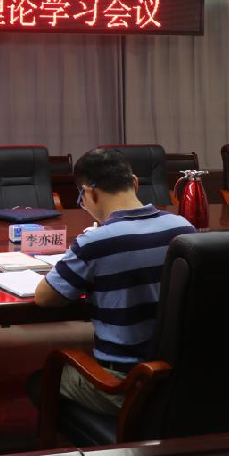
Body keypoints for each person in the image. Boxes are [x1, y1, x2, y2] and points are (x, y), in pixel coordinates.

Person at [33, 149, 196, 415]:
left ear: (90, 193)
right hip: (179, 377)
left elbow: (44, 298)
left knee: (40, 381)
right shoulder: (183, 228)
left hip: (123, 385)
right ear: (135, 183)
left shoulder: (95, 242)